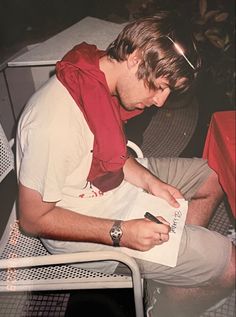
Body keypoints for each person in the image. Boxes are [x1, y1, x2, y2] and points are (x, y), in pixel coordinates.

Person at [16, 11, 235, 317]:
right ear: (134, 57)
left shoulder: (96, 77)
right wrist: (122, 232)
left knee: (213, 175)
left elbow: (110, 154)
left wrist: (150, 182)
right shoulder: (54, 124)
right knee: (230, 268)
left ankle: (170, 270)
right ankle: (161, 309)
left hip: (109, 182)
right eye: (158, 86)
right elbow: (33, 219)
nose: (161, 101)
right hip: (81, 223)